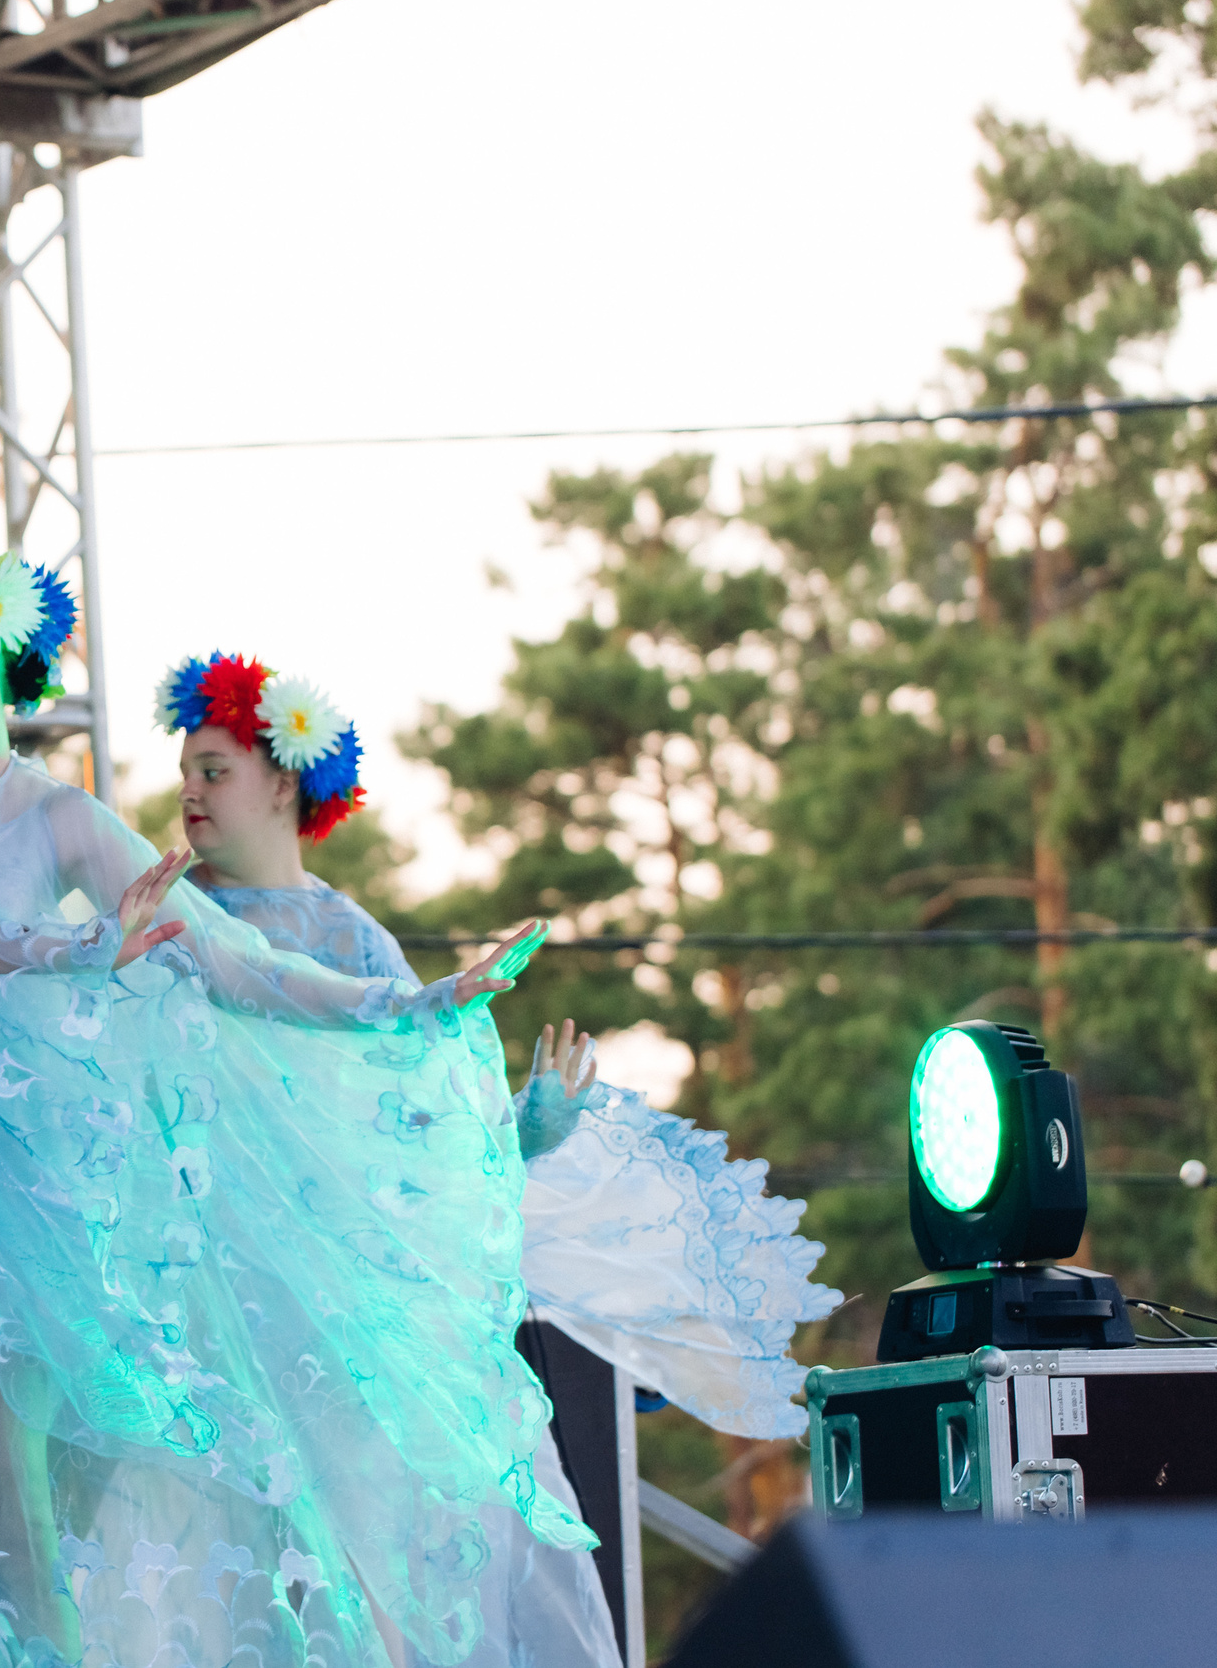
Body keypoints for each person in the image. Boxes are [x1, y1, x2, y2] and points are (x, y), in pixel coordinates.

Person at [0, 523, 584, 1668]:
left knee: (6, 1520)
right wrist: (74, 946)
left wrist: (412, 1002)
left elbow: (233, 959)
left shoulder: (60, 815)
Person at [158, 650, 840, 1664]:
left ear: (283, 781)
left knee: (386, 1564)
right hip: (219, 1289)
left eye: (212, 769)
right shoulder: (163, 913)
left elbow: (419, 1127)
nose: (189, 791)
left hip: (346, 1305)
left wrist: (519, 1130)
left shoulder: (355, 939)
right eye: (185, 772)